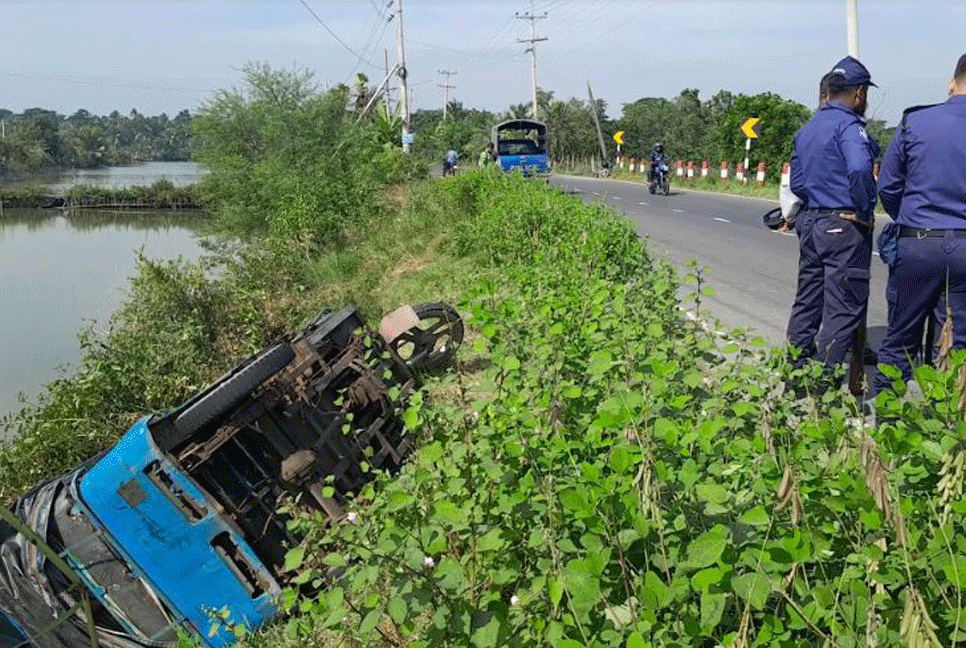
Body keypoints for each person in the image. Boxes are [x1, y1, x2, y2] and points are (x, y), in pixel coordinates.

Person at [871, 54, 966, 396]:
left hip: (919, 244)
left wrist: (910, 220)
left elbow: (889, 186)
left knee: (900, 339)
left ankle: (886, 426)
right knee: (957, 345)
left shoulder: (916, 121)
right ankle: (950, 431)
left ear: (951, 82)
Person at [786, 56, 878, 384]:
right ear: (858, 94)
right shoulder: (850, 126)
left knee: (808, 301)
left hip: (811, 223)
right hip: (842, 223)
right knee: (842, 307)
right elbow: (858, 169)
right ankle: (822, 385)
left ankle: (794, 375)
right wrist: (865, 210)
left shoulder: (808, 128)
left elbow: (796, 182)